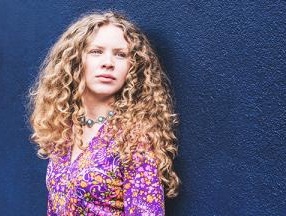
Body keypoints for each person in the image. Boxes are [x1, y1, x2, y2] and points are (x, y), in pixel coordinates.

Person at [27, 10, 180, 215]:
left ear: (132, 67)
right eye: (96, 51)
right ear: (75, 61)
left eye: (121, 54)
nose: (108, 62)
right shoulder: (63, 131)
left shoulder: (133, 140)